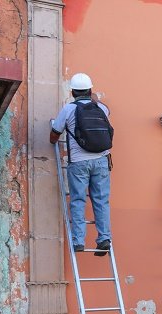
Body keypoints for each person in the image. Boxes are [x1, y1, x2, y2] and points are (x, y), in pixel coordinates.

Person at [50, 72, 113, 256]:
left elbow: (55, 133)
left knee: (78, 200)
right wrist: (93, 98)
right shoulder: (101, 108)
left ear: (73, 92)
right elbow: (107, 109)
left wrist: (53, 140)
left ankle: (78, 241)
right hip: (101, 161)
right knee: (101, 200)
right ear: (90, 89)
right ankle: (104, 238)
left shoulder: (68, 109)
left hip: (78, 163)